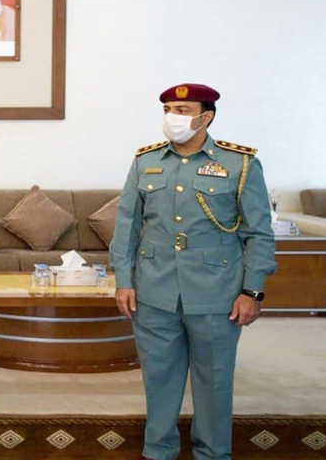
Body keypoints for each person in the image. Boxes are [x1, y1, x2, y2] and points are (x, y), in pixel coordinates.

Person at [110, 83, 277, 460]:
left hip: (217, 292)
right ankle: (158, 451)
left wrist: (252, 291)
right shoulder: (145, 161)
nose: (173, 117)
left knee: (214, 381)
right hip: (154, 291)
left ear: (206, 116)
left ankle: (213, 453)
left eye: (182, 110)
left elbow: (259, 233)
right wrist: (123, 280)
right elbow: (126, 226)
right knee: (158, 379)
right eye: (168, 109)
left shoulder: (239, 163)